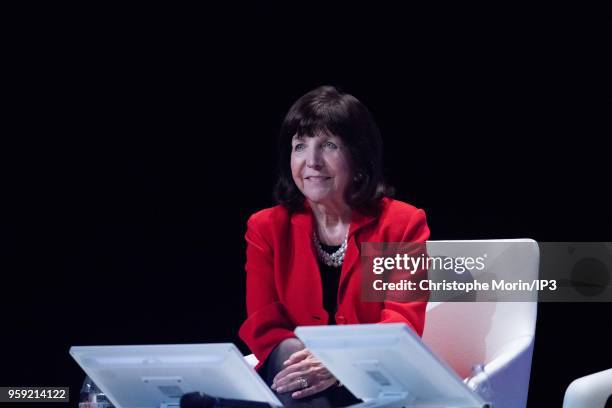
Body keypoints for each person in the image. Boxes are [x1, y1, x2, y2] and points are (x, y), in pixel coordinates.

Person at [239, 85, 430, 407]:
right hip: (290, 372)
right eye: (300, 146)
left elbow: (401, 322)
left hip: (375, 372)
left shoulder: (400, 223)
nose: (311, 161)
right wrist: (311, 364)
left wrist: (340, 364)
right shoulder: (267, 228)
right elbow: (264, 323)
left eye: (328, 145)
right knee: (293, 367)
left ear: (358, 157)